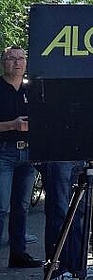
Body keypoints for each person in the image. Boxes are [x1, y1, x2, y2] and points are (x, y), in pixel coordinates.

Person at [0, 46, 42, 268]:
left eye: (21, 58)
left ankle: (18, 254)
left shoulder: (32, 89)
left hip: (28, 153)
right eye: (11, 58)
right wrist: (12, 125)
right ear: (3, 62)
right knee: (1, 206)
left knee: (21, 206)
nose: (16, 62)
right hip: (4, 152)